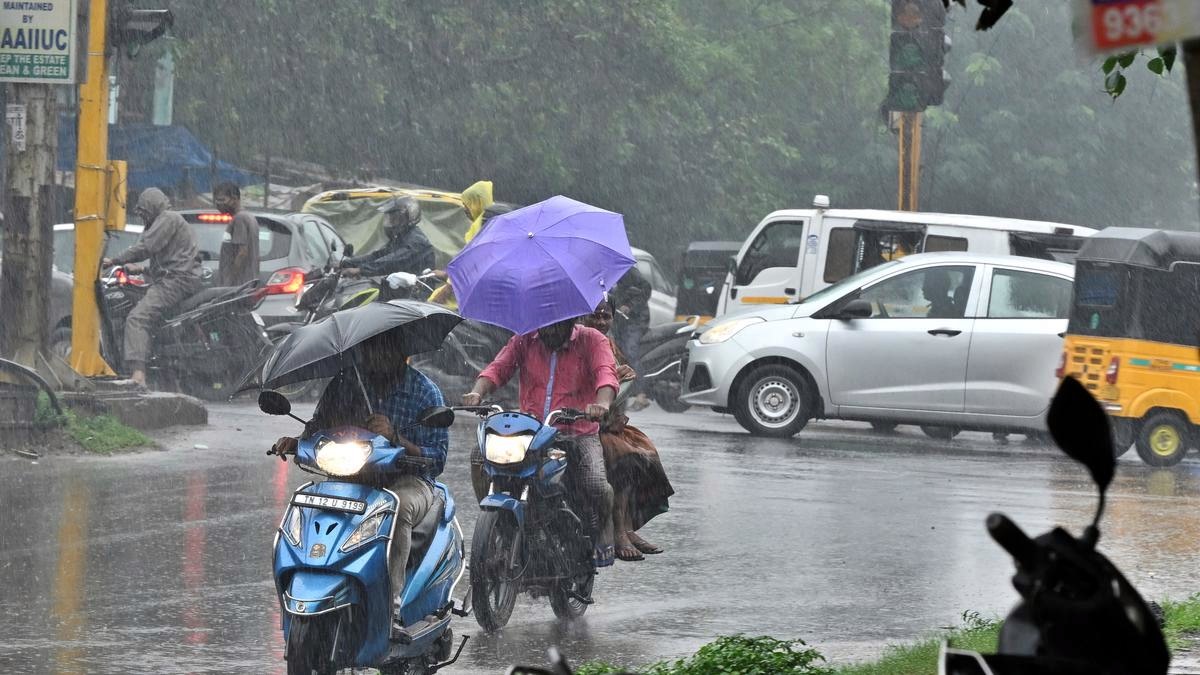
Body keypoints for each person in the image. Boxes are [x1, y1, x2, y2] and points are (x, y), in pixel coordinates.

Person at [272, 331, 448, 629]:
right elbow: (318, 426)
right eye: (370, 351)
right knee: (306, 506)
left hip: (405, 480)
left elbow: (437, 458)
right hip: (350, 475)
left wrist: (395, 437)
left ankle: (390, 610)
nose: (375, 358)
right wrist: (296, 442)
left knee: (398, 509)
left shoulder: (424, 392)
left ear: (399, 352)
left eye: (383, 350)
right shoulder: (345, 383)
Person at [461, 317, 620, 566]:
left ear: (572, 320)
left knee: (595, 484)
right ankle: (497, 523)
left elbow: (606, 375)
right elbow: (498, 368)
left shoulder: (593, 340)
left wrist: (602, 404)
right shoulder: (524, 338)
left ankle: (604, 529)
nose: (550, 329)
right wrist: (477, 392)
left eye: (557, 324)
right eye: (546, 323)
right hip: (532, 431)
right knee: (480, 456)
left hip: (576, 431)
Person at [581, 299, 674, 562]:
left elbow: (616, 382)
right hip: (582, 422)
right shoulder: (580, 342)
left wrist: (621, 376)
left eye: (606, 316)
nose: (600, 322)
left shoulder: (609, 344)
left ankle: (627, 527)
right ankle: (618, 530)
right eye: (594, 316)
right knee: (621, 455)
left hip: (607, 421)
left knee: (643, 452)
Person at [102, 188, 203, 387]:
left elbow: (147, 247)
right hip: (180, 278)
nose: (142, 218)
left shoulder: (167, 218)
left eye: (143, 212)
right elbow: (170, 258)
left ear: (151, 206)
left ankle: (138, 375)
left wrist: (114, 260)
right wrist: (140, 270)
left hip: (175, 282)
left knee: (137, 318)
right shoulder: (172, 219)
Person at [428, 181, 493, 309]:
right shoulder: (491, 222)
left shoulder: (481, 227)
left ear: (477, 203)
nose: (465, 209)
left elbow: (470, 266)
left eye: (468, 204)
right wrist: (446, 274)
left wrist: (446, 291)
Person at [342, 195, 435, 278]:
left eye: (395, 218)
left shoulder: (417, 241)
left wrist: (360, 270)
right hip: (399, 290)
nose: (391, 222)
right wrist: (346, 263)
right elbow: (378, 255)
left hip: (416, 294)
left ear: (407, 217)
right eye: (390, 219)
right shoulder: (401, 238)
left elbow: (394, 261)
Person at [610, 266, 653, 411]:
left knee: (629, 352)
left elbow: (646, 288)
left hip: (636, 321)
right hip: (619, 322)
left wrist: (629, 306)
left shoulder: (627, 270)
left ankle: (642, 394)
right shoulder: (603, 275)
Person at [213, 182, 260, 287]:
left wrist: (230, 280)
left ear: (234, 199)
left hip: (238, 286)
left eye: (221, 200)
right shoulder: (248, 217)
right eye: (216, 200)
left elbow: (242, 252)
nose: (218, 204)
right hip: (246, 284)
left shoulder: (239, 219)